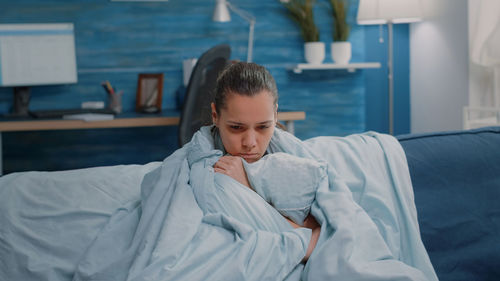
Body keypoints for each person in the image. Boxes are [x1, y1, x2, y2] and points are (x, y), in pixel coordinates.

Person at [209, 61, 320, 262]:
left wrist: (248, 186)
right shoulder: (205, 168)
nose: (250, 143)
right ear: (215, 115)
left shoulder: (292, 162)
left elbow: (323, 235)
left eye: (263, 127)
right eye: (236, 127)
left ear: (276, 115)